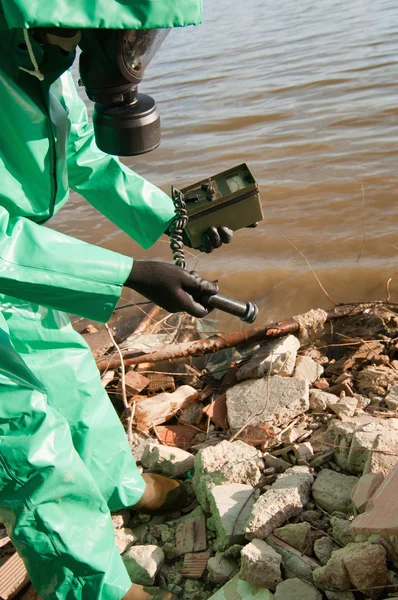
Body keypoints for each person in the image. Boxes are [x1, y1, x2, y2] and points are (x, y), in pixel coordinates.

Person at [0, 2, 234, 599]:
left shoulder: (42, 67)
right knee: (28, 443)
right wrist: (130, 272)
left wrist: (176, 219)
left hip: (19, 277)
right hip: (12, 260)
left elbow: (84, 157)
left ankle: (117, 488)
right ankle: (94, 589)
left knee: (71, 379)